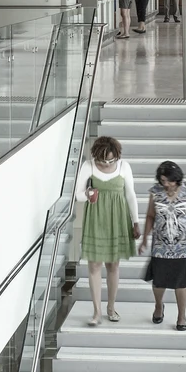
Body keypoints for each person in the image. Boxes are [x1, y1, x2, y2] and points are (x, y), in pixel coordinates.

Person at [73, 133, 140, 326]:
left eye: (111, 160)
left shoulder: (124, 166)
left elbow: (130, 195)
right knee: (94, 266)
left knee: (113, 265)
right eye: (103, 160)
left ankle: (111, 307)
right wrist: (89, 194)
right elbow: (78, 195)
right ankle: (97, 312)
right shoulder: (88, 166)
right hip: (96, 218)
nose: (107, 163)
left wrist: (136, 222)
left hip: (117, 218)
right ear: (96, 156)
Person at [140, 159, 186, 330]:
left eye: (169, 180)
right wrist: (145, 238)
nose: (166, 184)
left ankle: (181, 316)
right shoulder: (155, 192)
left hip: (185, 244)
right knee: (159, 281)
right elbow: (150, 216)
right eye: (163, 180)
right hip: (161, 244)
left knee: (182, 282)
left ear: (177, 178)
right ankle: (158, 305)